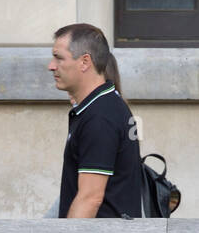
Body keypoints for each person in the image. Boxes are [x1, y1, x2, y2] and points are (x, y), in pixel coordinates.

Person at [47, 24, 140, 218]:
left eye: (59, 58)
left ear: (84, 62)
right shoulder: (101, 108)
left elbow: (90, 198)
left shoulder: (100, 116)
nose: (51, 66)